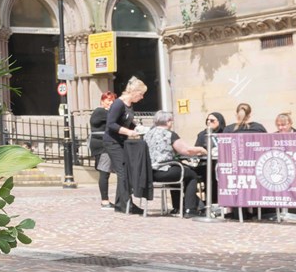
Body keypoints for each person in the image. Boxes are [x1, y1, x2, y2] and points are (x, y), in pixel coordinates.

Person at [144, 111, 207, 216]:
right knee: (191, 175)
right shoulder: (170, 134)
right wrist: (201, 149)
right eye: (171, 121)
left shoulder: (148, 134)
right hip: (164, 170)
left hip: (150, 172)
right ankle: (190, 209)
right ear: (168, 122)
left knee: (177, 172)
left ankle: (177, 207)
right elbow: (186, 151)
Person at [103, 77, 147, 215]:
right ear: (134, 92)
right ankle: (126, 204)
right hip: (112, 141)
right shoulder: (118, 104)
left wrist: (139, 128)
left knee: (125, 171)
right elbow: (111, 124)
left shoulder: (129, 105)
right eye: (141, 94)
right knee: (123, 172)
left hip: (122, 141)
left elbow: (127, 121)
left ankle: (120, 203)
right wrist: (129, 132)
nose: (142, 97)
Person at [89, 91, 118, 208]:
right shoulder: (100, 111)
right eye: (108, 100)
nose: (111, 102)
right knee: (104, 172)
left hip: (106, 144)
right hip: (102, 146)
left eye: (112, 100)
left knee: (106, 172)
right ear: (102, 101)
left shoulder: (107, 113)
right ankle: (104, 201)